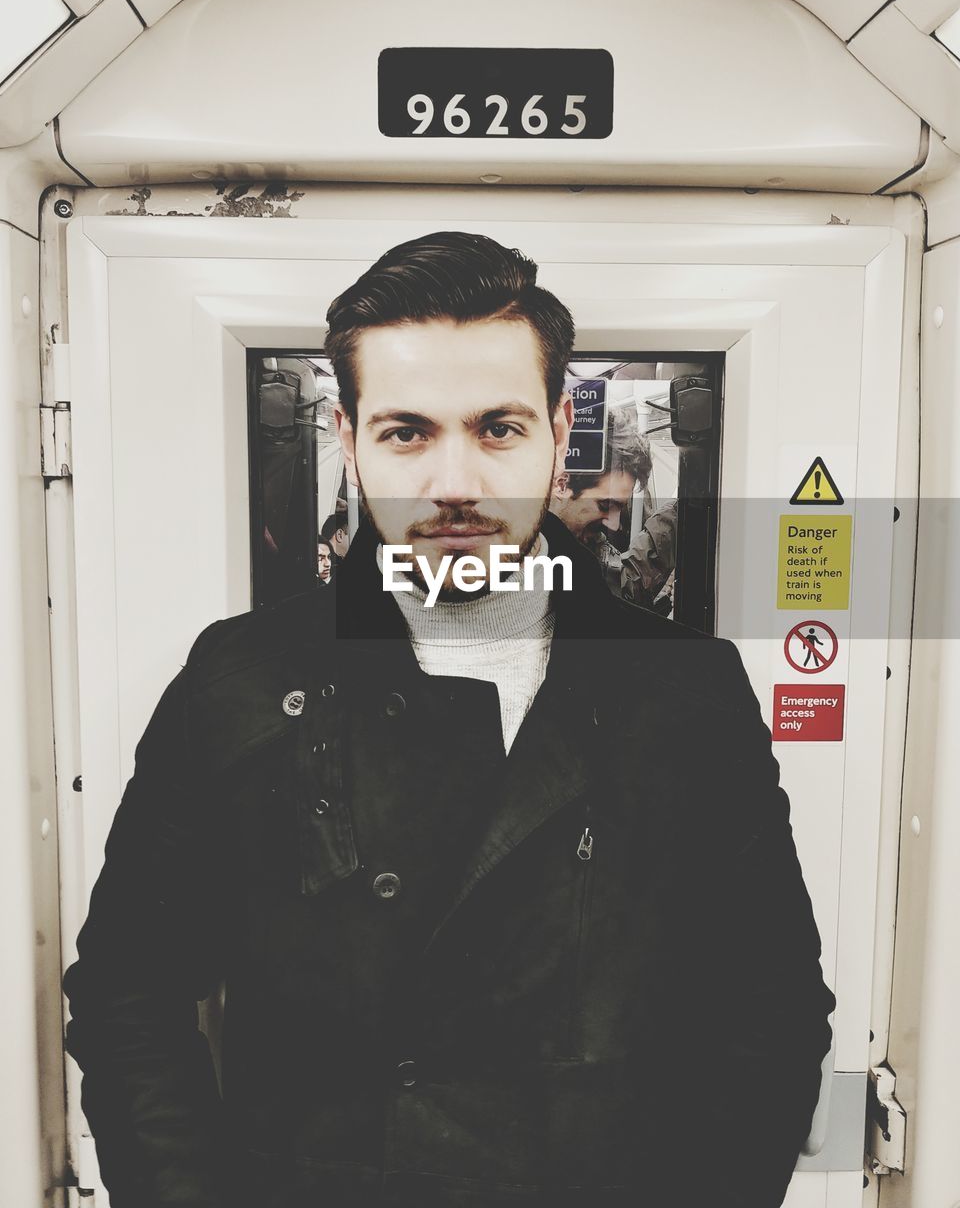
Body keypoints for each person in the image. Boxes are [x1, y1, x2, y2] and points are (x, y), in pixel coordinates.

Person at [63, 231, 835, 1208]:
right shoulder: (245, 678)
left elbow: (769, 1010)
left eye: (498, 428)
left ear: (559, 428)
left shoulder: (682, 690)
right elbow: (128, 993)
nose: (456, 481)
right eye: (408, 432)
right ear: (348, 437)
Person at [552, 407, 677, 611]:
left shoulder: (588, 545)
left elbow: (619, 589)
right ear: (561, 484)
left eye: (619, 507)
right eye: (605, 505)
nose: (615, 523)